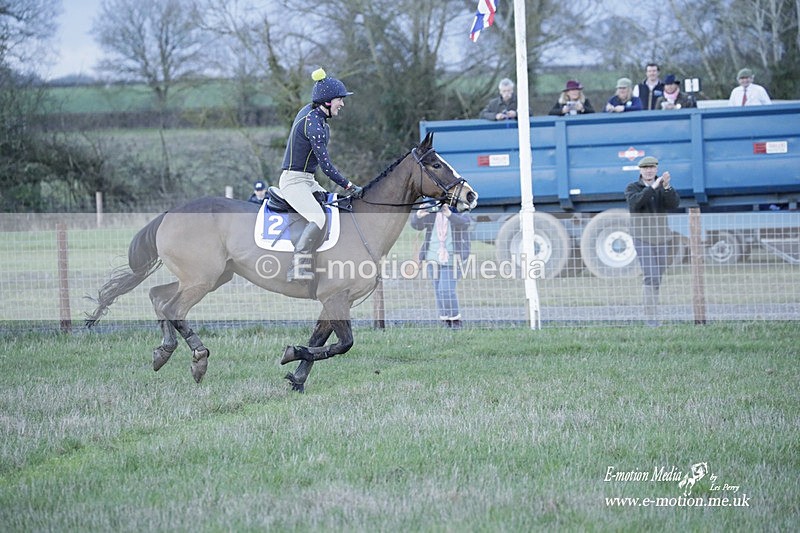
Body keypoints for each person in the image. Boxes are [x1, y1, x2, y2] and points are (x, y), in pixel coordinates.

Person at [279, 68, 363, 283]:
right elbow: (326, 166)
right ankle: (297, 267)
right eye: (339, 100)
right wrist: (350, 186)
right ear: (326, 101)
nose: (342, 104)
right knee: (318, 217)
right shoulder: (314, 125)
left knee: (334, 206)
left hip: (308, 180)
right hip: (294, 181)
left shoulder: (313, 114)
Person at [624, 156, 680, 327]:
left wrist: (667, 187)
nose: (649, 171)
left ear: (656, 169)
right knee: (651, 276)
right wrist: (653, 187)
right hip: (643, 237)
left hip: (662, 237)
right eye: (645, 168)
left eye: (652, 167)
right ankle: (651, 319)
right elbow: (636, 203)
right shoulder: (632, 187)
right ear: (640, 170)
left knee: (658, 276)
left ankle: (653, 311)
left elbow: (674, 204)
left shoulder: (663, 187)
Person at [411, 201, 472, 329]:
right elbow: (416, 225)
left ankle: (455, 319)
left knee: (446, 290)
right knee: (438, 291)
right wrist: (419, 215)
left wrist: (449, 214)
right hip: (432, 258)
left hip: (453, 260)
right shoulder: (432, 214)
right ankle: (445, 319)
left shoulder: (459, 211)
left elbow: (465, 223)